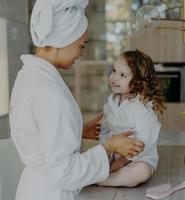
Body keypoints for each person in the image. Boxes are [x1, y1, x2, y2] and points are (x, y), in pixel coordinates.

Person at [9, 1, 144, 200]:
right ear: (63, 38)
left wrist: (77, 131)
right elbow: (64, 172)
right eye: (81, 45)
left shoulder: (28, 76)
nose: (82, 53)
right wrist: (110, 146)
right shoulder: (50, 93)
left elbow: (40, 132)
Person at [97, 49, 166, 187]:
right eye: (114, 71)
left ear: (138, 82)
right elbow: (104, 129)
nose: (114, 78)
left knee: (142, 171)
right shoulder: (111, 102)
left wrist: (121, 162)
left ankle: (103, 181)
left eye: (122, 75)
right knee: (92, 158)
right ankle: (104, 175)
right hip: (114, 153)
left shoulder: (142, 109)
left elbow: (144, 141)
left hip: (137, 158)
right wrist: (104, 151)